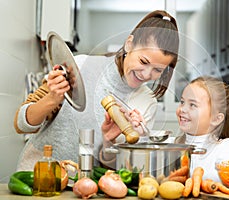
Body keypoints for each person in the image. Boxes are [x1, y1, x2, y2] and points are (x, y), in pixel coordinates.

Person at [14, 10, 179, 171]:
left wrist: (111, 142)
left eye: (157, 70)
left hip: (84, 189)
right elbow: (21, 124)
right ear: (129, 44)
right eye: (143, 61)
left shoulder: (146, 102)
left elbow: (122, 171)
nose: (146, 74)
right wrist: (51, 99)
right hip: (37, 175)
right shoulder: (80, 66)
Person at [175, 76, 229, 182]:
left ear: (216, 119)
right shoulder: (174, 143)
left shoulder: (225, 147)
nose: (182, 109)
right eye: (182, 102)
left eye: (193, 105)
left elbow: (225, 179)